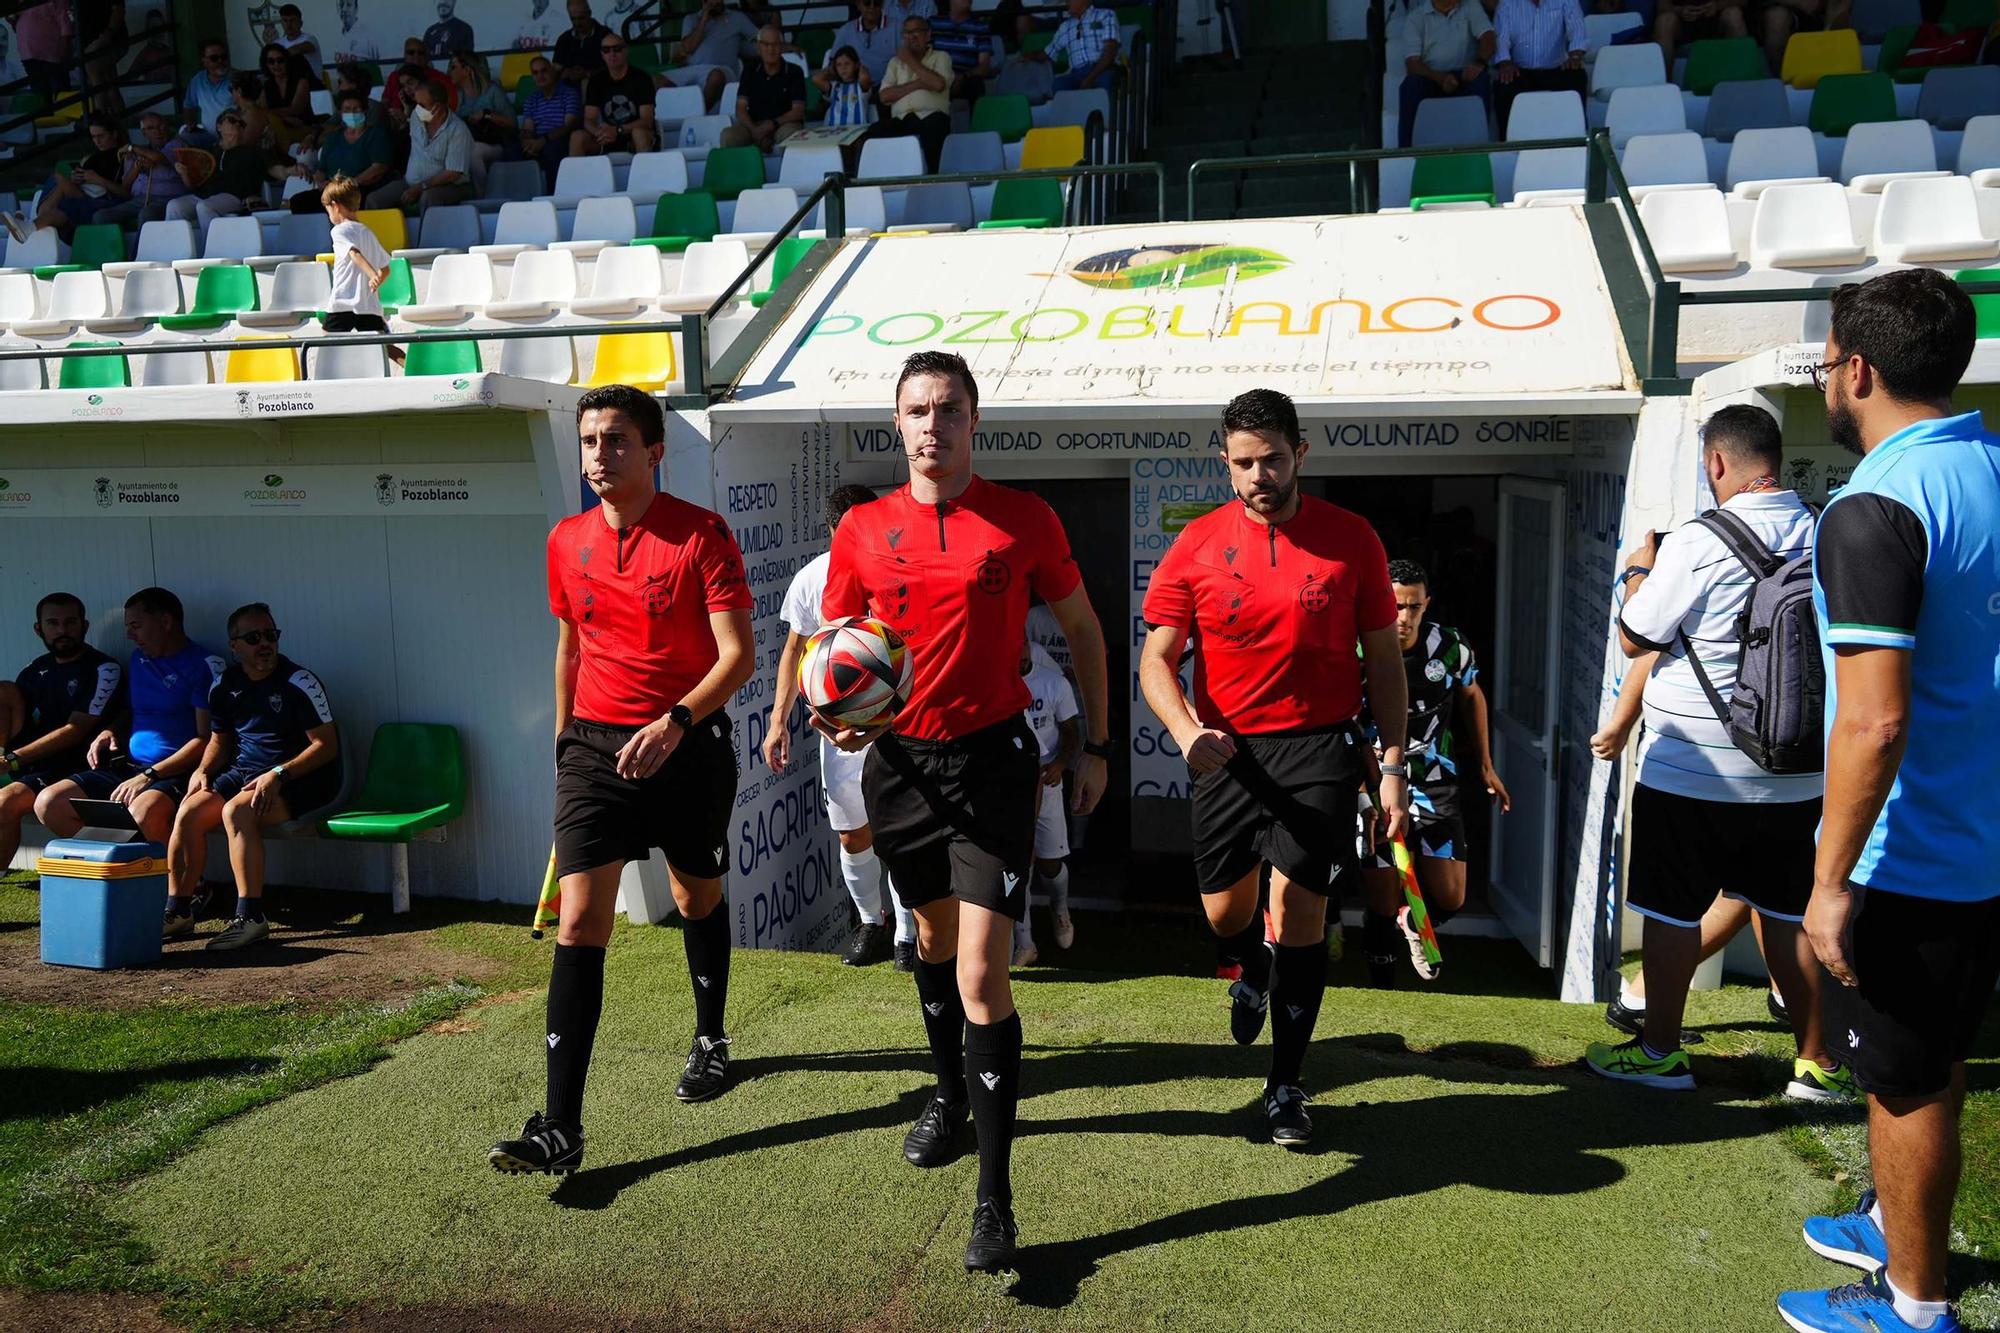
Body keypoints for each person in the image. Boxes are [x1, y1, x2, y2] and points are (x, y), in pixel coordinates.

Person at [819, 350, 1111, 1273]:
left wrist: (1095, 744)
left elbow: (1085, 632)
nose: (932, 425)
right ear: (895, 424)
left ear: (974, 420)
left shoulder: (1023, 520)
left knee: (986, 974)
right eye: (916, 410)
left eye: (948, 409)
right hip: (901, 766)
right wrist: (838, 713)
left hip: (993, 763)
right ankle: (946, 1093)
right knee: (934, 947)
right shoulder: (863, 529)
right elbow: (833, 650)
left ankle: (996, 1199)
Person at [1778, 268, 1998, 1333]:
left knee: (1903, 1083)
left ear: (1854, 368)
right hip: (1983, 844)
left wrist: (1825, 883)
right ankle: (1889, 1219)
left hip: (1913, 855)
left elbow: (1872, 720)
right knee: (1936, 1057)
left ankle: (1912, 1308)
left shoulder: (1872, 506)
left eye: (1825, 363)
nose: (1826, 379)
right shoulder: (1993, 464)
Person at [487, 385, 755, 1178]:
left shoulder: (703, 534)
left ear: (654, 451)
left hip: (689, 741)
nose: (600, 456)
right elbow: (568, 645)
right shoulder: (565, 539)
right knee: (578, 923)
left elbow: (736, 656)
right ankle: (559, 1126)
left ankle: (711, 1036)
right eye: (590, 441)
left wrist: (674, 722)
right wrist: (568, 741)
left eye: (616, 441)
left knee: (694, 893)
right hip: (596, 752)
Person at [1138, 388, 1407, 1152]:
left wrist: (1391, 764)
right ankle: (1248, 961)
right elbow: (1156, 658)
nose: (1259, 475)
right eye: (1244, 462)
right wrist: (1187, 732)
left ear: (1302, 455)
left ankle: (1286, 1083)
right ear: (1225, 462)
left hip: (1319, 749)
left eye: (1273, 459)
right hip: (1223, 749)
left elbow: (1385, 662)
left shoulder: (1351, 538)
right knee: (1227, 916)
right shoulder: (1195, 544)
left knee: (1300, 917)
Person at [1583, 404, 1850, 1100]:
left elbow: (1636, 636)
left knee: (1670, 911)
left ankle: (1661, 1051)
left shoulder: (1697, 541)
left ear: (1716, 463)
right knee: (1789, 912)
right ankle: (1817, 1062)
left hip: (1692, 771)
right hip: (1797, 771)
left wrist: (1638, 571)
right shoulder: (1825, 529)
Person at [764, 483, 918, 970]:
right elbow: (795, 650)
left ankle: (907, 939)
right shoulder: (812, 579)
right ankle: (871, 923)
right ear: (833, 530)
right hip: (841, 733)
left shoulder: (901, 567)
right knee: (854, 835)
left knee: (901, 832)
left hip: (901, 725)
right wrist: (777, 721)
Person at [1356, 557, 1510, 987]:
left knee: (1450, 896)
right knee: (1383, 900)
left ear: (1427, 604)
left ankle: (1412, 919)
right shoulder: (1356, 646)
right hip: (1375, 784)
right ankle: (1382, 991)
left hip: (1435, 780)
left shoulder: (1450, 646)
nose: (1403, 618)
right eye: (1394, 606)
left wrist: (1486, 764)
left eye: (1413, 607)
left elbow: (1472, 696)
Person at [164, 604, 340, 952]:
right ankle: (178, 911)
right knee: (187, 812)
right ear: (235, 646)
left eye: (270, 635)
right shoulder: (225, 684)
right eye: (253, 637)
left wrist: (278, 774)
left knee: (236, 812)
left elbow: (326, 746)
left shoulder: (298, 681)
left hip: (301, 777)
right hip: (245, 772)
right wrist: (202, 771)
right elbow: (219, 739)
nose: (265, 644)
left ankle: (251, 918)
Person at [34, 589, 223, 859]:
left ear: (166, 622)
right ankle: (126, 868)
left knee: (142, 812)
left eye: (136, 626)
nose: (129, 636)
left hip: (175, 771)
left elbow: (207, 738)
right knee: (50, 804)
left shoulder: (204, 665)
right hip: (129, 767)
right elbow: (131, 710)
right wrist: (110, 731)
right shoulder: (139, 659)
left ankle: (187, 887)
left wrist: (149, 776)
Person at [0, 594, 121, 874]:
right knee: (4, 691)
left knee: (6, 801)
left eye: (70, 622)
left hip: (77, 768)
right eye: (53, 623)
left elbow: (75, 731)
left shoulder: (104, 668)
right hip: (35, 765)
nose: (62, 630)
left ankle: (108, 869)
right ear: (38, 629)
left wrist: (13, 760)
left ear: (85, 626)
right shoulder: (36, 670)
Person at [1010, 638, 1081, 968]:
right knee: (1018, 863)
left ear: (1030, 648)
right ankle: (1024, 942)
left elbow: (1070, 731)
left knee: (1051, 862)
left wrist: (1061, 763)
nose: (1019, 653)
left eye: (1022, 646)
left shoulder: (1053, 683)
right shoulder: (992, 682)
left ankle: (1059, 907)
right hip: (1010, 784)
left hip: (1047, 780)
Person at [320, 173, 404, 365]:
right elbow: (386, 268)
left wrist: (372, 275)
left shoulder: (339, 231)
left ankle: (325, 381)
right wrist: (376, 281)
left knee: (326, 341)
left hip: (344, 301)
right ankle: (414, 371)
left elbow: (354, 254)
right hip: (368, 305)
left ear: (335, 206)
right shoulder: (367, 231)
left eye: (328, 210)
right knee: (387, 347)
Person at [164, 109, 275, 242]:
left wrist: (292, 170)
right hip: (204, 195)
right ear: (219, 126)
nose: (238, 124)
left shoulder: (252, 151)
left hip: (234, 196)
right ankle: (175, 252)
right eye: (233, 120)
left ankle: (213, 252)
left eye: (242, 123)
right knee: (174, 206)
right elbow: (192, 185)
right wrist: (184, 174)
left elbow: (273, 169)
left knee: (205, 207)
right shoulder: (208, 151)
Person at [1397, 0, 1495, 148]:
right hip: (1431, 77)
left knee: (1482, 80)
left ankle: (1481, 146)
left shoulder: (1470, 6)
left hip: (1464, 74)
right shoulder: (1415, 18)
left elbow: (1488, 36)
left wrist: (1479, 63)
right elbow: (1412, 64)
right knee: (1410, 85)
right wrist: (1440, 78)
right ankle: (1405, 151)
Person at [368, 80, 473, 210]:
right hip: (409, 183)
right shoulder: (416, 117)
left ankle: (429, 231)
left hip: (449, 186)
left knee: (429, 198)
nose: (418, 109)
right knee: (374, 200)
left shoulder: (458, 130)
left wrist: (421, 187)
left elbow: (453, 174)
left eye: (422, 105)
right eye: (417, 104)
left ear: (439, 106)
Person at [1491, 0, 1585, 135]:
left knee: (1577, 75)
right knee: (1504, 82)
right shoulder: (1507, 3)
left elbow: (1578, 32)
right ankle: (1507, 141)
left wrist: (1575, 56)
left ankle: (1578, 136)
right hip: (1520, 71)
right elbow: (1501, 37)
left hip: (1556, 69)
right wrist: (1505, 63)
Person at [872, 15, 952, 173]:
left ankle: (934, 179)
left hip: (931, 117)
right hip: (901, 119)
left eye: (915, 32)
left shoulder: (941, 57)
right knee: (873, 132)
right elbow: (884, 96)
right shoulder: (895, 62)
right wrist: (920, 83)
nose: (910, 37)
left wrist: (910, 61)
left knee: (935, 126)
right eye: (906, 33)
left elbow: (938, 84)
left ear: (928, 35)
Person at [291, 90, 394, 212]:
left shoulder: (376, 135)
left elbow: (379, 167)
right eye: (347, 110)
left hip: (360, 189)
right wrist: (321, 183)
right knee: (298, 202)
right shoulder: (333, 137)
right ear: (340, 113)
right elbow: (321, 170)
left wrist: (352, 183)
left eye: (356, 109)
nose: (352, 113)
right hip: (333, 189)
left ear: (365, 111)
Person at [24, 113, 125, 237]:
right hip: (84, 193)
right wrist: (76, 178)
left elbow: (126, 193)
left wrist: (97, 179)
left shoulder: (125, 156)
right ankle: (31, 227)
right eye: (93, 137)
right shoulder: (91, 157)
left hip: (104, 200)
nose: (97, 141)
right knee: (57, 180)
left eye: (101, 136)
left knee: (59, 186)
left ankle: (31, 226)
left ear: (114, 134)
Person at [95, 110, 191, 226]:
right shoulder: (136, 152)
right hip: (140, 199)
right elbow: (125, 185)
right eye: (151, 128)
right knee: (101, 216)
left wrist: (132, 147)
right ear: (143, 133)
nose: (157, 132)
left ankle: (140, 245)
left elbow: (158, 158)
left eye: (161, 126)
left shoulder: (177, 144)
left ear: (167, 127)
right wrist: (137, 168)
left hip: (169, 199)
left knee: (147, 214)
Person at [572, 31, 656, 157]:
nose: (612, 54)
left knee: (639, 133)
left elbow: (647, 120)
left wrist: (618, 130)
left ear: (626, 51)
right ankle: (576, 177)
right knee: (577, 137)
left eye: (617, 49)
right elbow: (589, 119)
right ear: (602, 54)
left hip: (633, 135)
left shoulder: (641, 79)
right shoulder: (596, 80)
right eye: (606, 50)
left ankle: (645, 175)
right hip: (606, 137)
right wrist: (599, 133)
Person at [721, 26, 805, 150]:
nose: (771, 49)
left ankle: (790, 169)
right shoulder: (749, 71)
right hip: (754, 125)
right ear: (758, 47)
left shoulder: (794, 72)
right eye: (766, 44)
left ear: (782, 47)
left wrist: (772, 124)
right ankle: (734, 170)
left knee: (790, 135)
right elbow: (740, 109)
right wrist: (755, 131)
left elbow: (798, 111)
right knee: (729, 136)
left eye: (775, 44)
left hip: (783, 125)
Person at [449, 49, 516, 193]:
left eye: (454, 67)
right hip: (464, 143)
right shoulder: (456, 96)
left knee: (473, 152)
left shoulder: (492, 91)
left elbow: (512, 123)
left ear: (467, 70)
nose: (450, 72)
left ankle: (482, 197)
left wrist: (486, 115)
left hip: (494, 144)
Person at [675, 0, 760, 112]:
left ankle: (697, 114)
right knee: (657, 81)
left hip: (722, 70)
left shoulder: (736, 17)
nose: (717, 2)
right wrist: (704, 20)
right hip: (693, 69)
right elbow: (688, 48)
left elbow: (762, 37)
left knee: (715, 77)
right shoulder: (691, 19)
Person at [1019, 0, 1120, 92]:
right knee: (1059, 85)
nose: (1066, 2)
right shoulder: (1065, 27)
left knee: (1107, 79)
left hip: (1102, 70)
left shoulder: (1106, 15)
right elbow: (1048, 52)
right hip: (1077, 74)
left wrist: (1089, 79)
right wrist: (1030, 56)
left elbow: (1110, 52)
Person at [518, 55, 583, 189]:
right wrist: (528, 143)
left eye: (544, 71)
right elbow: (527, 128)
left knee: (552, 150)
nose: (540, 76)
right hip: (539, 141)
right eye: (535, 73)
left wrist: (543, 141)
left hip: (561, 140)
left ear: (552, 71)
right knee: (512, 152)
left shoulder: (569, 94)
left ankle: (553, 196)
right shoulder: (531, 100)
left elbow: (568, 126)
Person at [1653, 0, 1746, 75]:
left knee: (1733, 15)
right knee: (1665, 21)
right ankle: (1661, 82)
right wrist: (1680, 10)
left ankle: (1742, 77)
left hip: (1718, 21)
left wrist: (1717, 6)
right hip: (1682, 24)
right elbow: (1662, 6)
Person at [929, 0, 995, 101]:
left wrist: (963, 76)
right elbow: (923, 54)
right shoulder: (933, 23)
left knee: (976, 84)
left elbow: (984, 65)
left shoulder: (980, 27)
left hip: (965, 78)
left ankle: (978, 116)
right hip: (938, 76)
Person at [827, 0, 902, 85]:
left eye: (876, 3)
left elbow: (906, 58)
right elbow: (833, 64)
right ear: (858, 5)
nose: (872, 7)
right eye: (867, 3)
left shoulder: (898, 27)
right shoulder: (845, 31)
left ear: (882, 5)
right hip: (855, 89)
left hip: (888, 87)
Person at [14, 0, 71, 107]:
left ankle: (65, 117)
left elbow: (64, 22)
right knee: (39, 94)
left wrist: (64, 48)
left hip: (52, 54)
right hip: (29, 53)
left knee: (61, 91)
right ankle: (45, 116)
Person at [553, 0, 614, 85]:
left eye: (581, 18)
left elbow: (615, 66)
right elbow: (556, 70)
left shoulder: (606, 36)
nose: (577, 23)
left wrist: (587, 74)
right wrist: (567, 73)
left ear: (589, 13)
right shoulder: (564, 39)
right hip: (570, 92)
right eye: (573, 19)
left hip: (602, 87)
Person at [813, 45, 872, 128]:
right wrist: (830, 69)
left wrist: (860, 66)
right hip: (833, 130)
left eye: (847, 63)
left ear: (856, 65)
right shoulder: (834, 87)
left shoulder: (860, 87)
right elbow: (816, 79)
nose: (843, 68)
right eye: (839, 65)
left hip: (857, 130)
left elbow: (865, 78)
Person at [185, 37, 235, 132]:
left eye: (223, 57)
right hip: (207, 137)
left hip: (232, 137)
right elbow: (189, 106)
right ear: (204, 61)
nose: (220, 61)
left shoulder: (235, 78)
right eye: (214, 58)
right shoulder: (197, 80)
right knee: (179, 142)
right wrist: (190, 126)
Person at [270, 3, 324, 80]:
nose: (288, 24)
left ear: (300, 23)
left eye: (292, 20)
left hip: (312, 88)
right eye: (285, 20)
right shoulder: (277, 43)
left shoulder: (310, 39)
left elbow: (298, 49)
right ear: (281, 23)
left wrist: (277, 55)